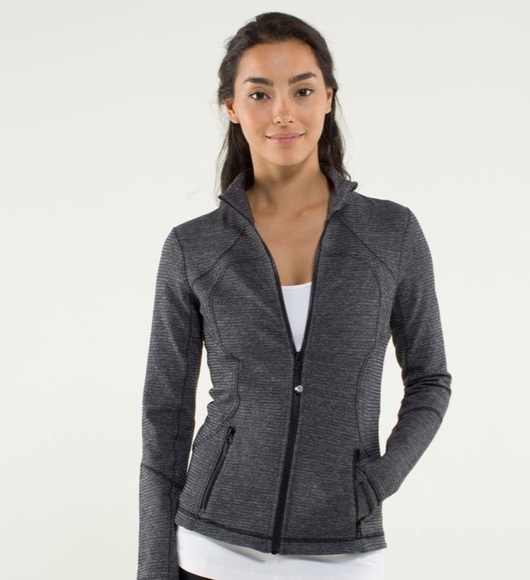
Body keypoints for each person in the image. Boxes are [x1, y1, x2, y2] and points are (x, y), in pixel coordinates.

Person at [137, 11, 452, 580]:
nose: (283, 111)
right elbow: (165, 417)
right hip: (211, 546)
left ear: (328, 98)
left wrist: (377, 482)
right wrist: (153, 570)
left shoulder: (391, 233)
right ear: (232, 107)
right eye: (260, 94)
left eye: (302, 90)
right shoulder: (194, 247)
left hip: (343, 547)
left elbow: (430, 380)